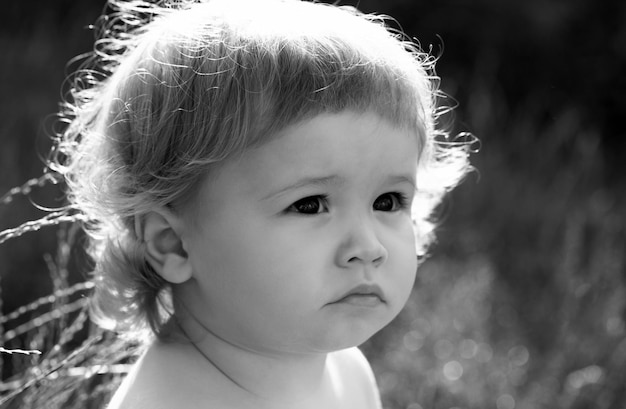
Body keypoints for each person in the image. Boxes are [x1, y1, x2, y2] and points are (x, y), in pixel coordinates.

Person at [51, 0, 471, 407]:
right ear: (173, 244)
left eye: (388, 201)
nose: (368, 247)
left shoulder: (345, 371)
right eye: (310, 205)